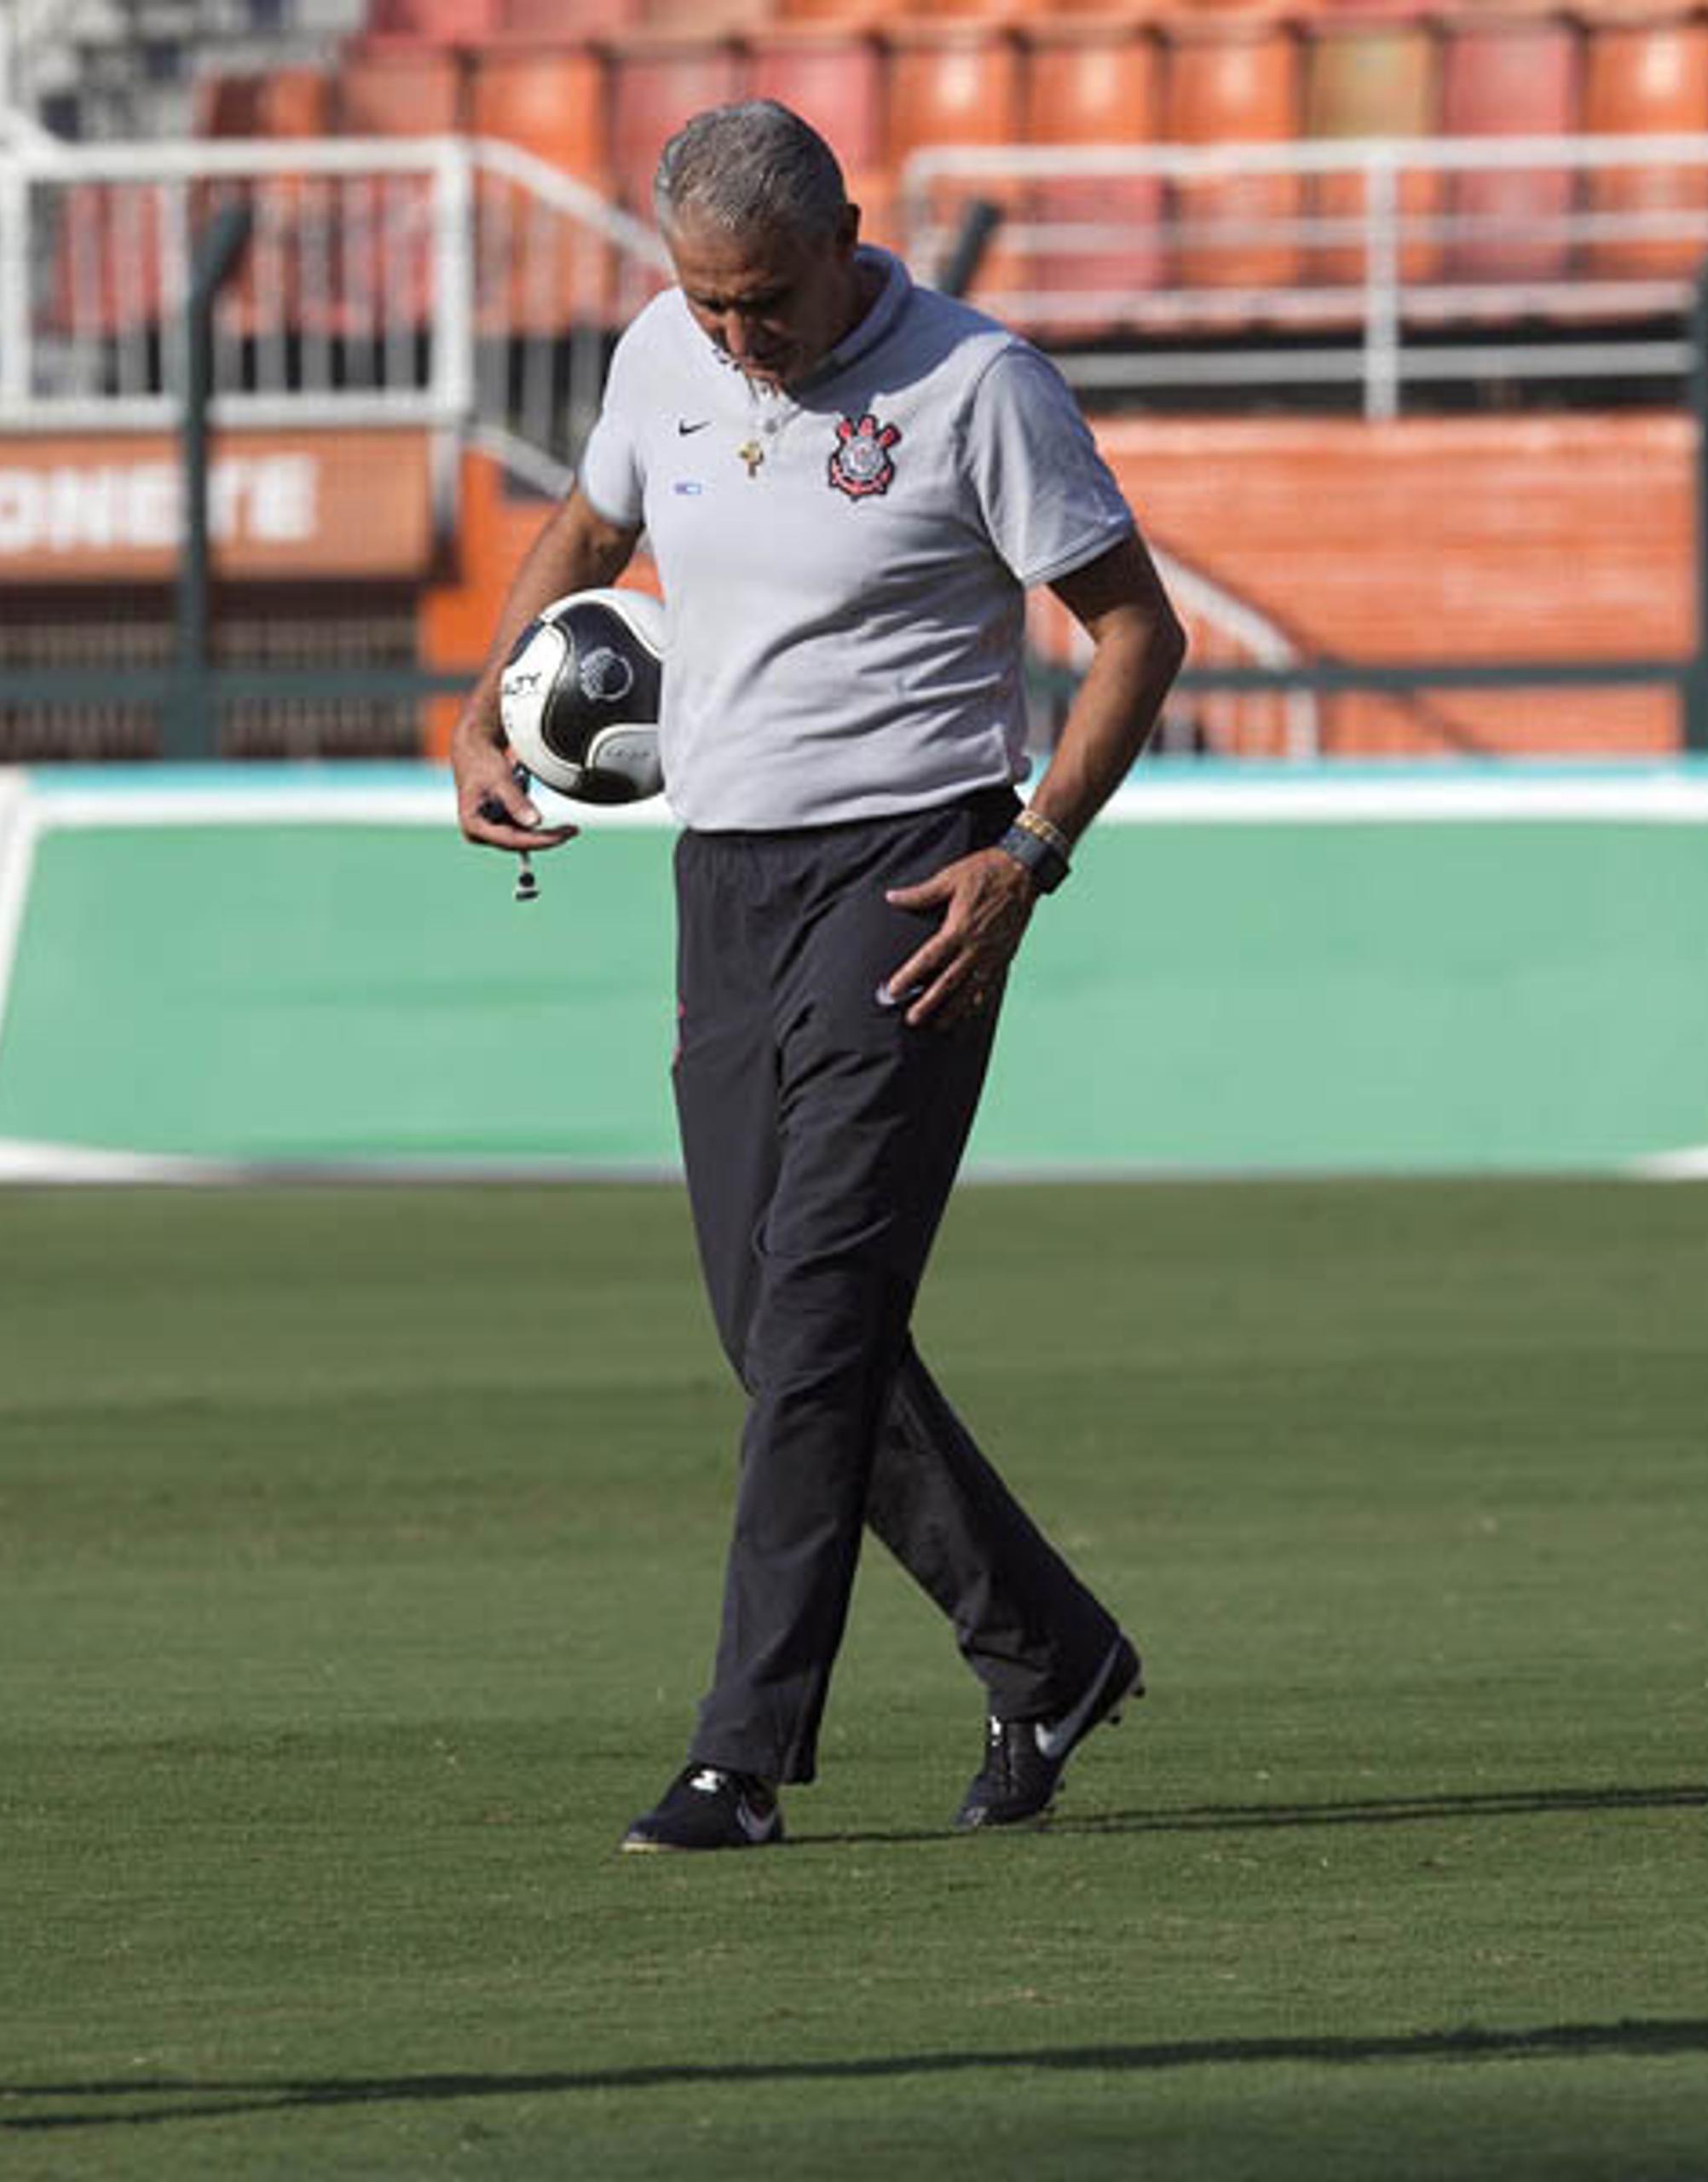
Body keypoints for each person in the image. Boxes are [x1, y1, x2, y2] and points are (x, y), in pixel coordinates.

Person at [452, 100, 1190, 1853]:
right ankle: (1050, 1649)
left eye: (764, 300)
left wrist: (1029, 851)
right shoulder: (661, 355)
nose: (736, 337)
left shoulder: (978, 386)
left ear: (849, 234)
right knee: (769, 1324)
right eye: (706, 302)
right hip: (725, 881)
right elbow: (583, 529)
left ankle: (744, 1750)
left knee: (817, 1318)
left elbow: (1140, 629)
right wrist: (481, 706)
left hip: (914, 873)